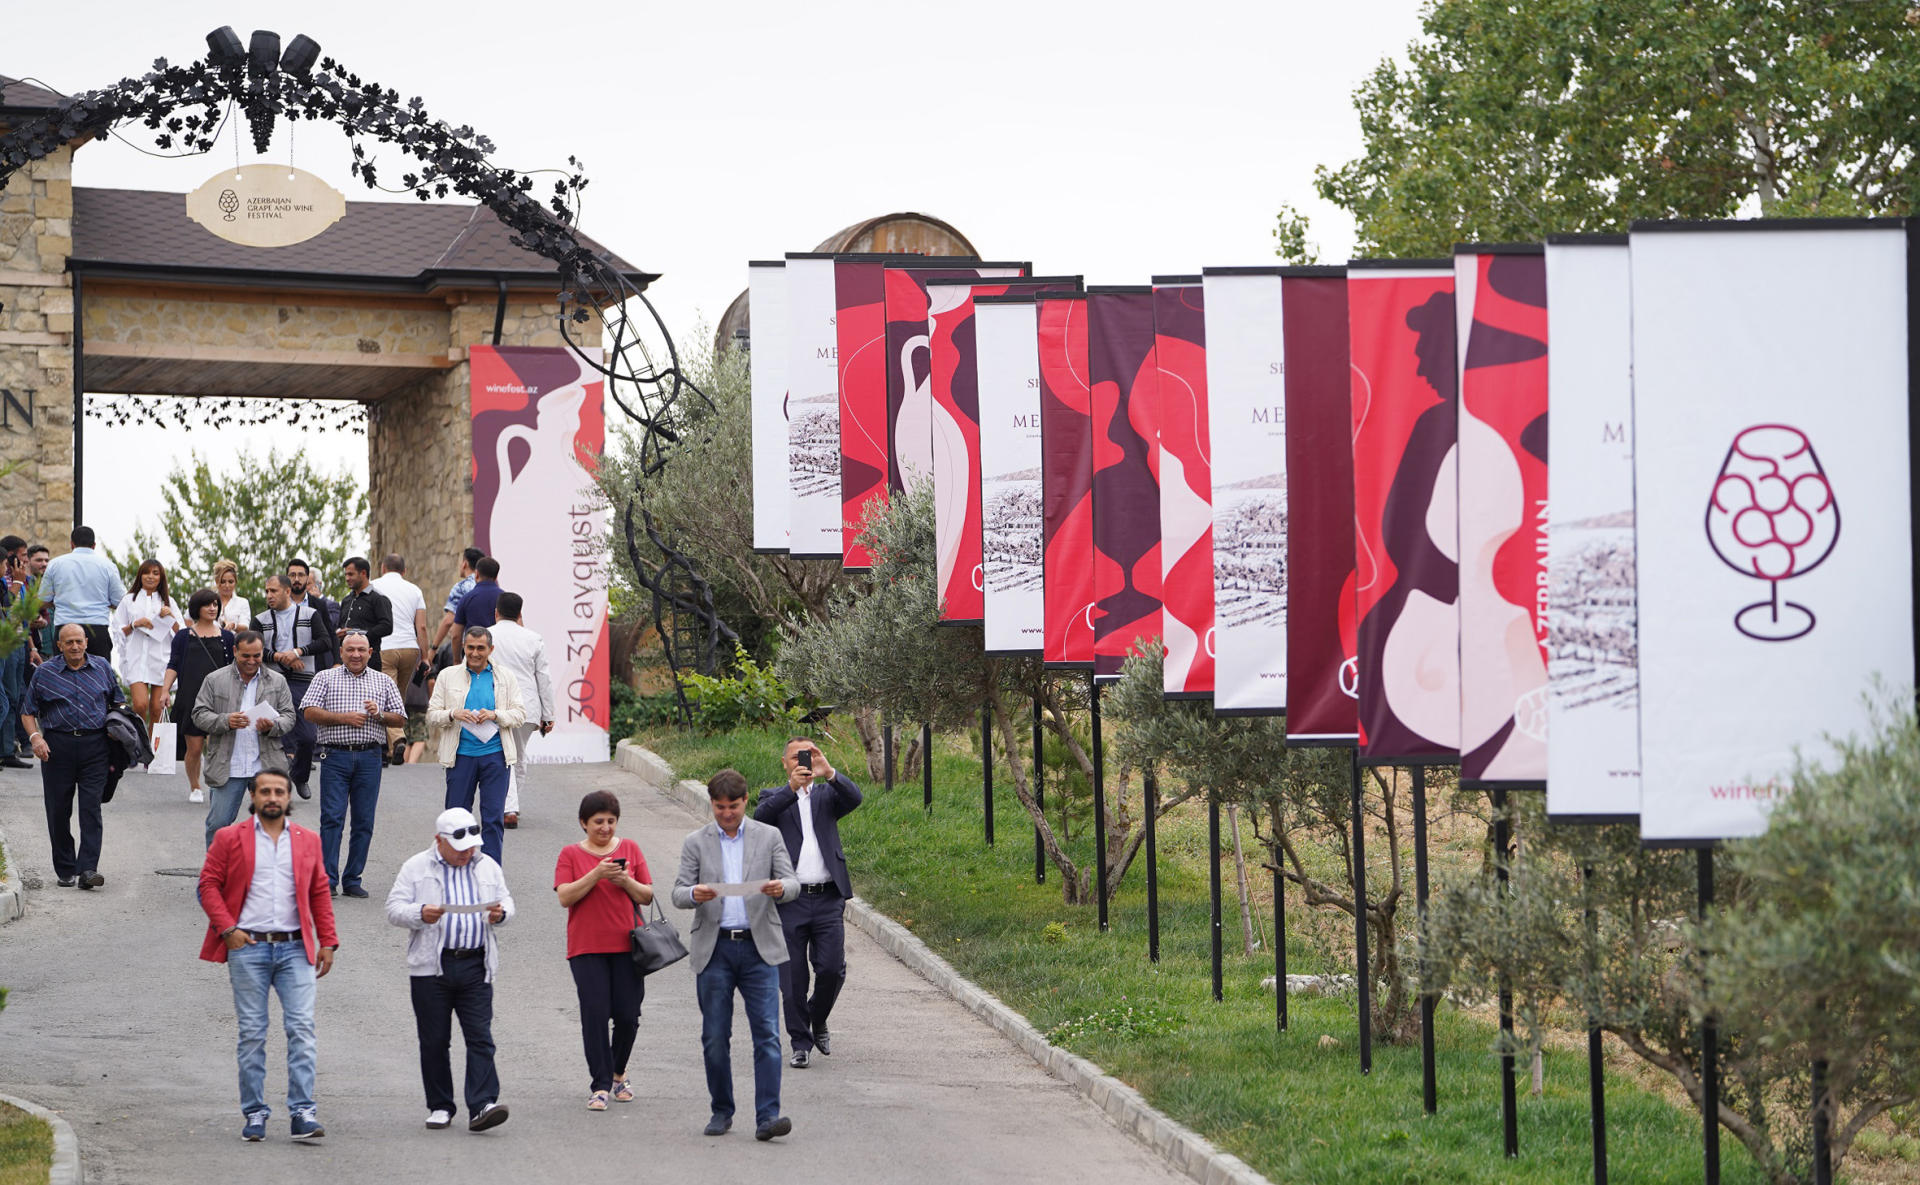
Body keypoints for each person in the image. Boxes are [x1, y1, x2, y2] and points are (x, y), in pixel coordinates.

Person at [197, 770, 338, 1142]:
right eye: (265, 792)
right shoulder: (230, 838)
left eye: (279, 791)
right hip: (249, 948)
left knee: (302, 1029)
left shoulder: (307, 840)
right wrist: (228, 929)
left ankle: (303, 1112)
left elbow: (320, 890)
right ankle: (255, 1113)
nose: (272, 797)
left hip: (296, 949)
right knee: (252, 1034)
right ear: (254, 797)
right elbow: (208, 884)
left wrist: (328, 940)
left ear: (289, 797)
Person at [672, 769, 798, 1141]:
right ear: (711, 804)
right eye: (720, 807)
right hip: (715, 948)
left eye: (734, 806)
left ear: (746, 802)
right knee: (714, 1036)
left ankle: (767, 1116)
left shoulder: (768, 836)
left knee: (768, 1035)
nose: (727, 813)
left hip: (760, 948)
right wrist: (695, 893)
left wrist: (780, 889)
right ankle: (721, 1109)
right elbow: (678, 893)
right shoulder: (696, 841)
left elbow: (792, 882)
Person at [386, 807, 514, 1132]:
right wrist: (419, 913)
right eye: (460, 849)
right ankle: (440, 1105)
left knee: (480, 1036)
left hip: (476, 962)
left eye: (471, 847)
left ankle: (483, 1104)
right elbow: (394, 909)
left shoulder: (487, 866)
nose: (467, 853)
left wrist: (502, 914)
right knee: (434, 1039)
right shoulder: (416, 867)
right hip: (432, 966)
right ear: (438, 840)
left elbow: (507, 901)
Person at [754, 737, 863, 1069]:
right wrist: (791, 789)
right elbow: (761, 818)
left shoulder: (828, 795)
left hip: (828, 896)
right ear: (785, 762)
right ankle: (800, 1043)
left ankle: (817, 1017)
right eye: (797, 756)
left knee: (832, 969)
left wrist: (828, 771)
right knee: (793, 980)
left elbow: (855, 797)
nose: (804, 760)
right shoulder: (773, 797)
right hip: (790, 900)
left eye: (810, 754)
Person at [554, 790, 653, 1111]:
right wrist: (596, 873)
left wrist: (625, 880)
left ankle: (618, 1072)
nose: (605, 828)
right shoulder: (570, 854)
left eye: (611, 821)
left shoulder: (631, 849)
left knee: (628, 1015)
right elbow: (565, 896)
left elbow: (647, 895)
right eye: (598, 822)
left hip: (628, 947)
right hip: (586, 948)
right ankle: (600, 1085)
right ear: (584, 823)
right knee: (594, 1014)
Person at [19, 623, 125, 889]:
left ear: (86, 642)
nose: (75, 647)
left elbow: (118, 702)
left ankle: (88, 869)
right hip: (57, 748)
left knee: (91, 809)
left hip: (96, 746)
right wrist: (36, 738)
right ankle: (66, 868)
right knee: (58, 810)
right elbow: (27, 711)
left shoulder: (102, 667)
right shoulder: (44, 673)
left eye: (79, 641)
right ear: (60, 646)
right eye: (69, 643)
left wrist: (118, 727)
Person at [303, 631, 406, 899]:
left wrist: (380, 715)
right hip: (334, 756)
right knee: (332, 818)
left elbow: (400, 719)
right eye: (350, 650)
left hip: (370, 757)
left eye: (361, 650)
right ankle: (327, 879)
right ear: (341, 651)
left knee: (364, 821)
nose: (356, 655)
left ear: (370, 653)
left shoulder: (383, 681)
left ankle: (353, 878)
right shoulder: (325, 677)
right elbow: (309, 711)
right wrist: (343, 718)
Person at [427, 627, 526, 865]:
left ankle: (490, 874)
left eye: (481, 648)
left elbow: (520, 714)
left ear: (490, 649)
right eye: (470, 647)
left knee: (493, 820)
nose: (475, 653)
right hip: (460, 756)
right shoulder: (448, 675)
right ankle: (452, 870)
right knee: (455, 819)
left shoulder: (505, 677)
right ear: (463, 647)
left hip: (496, 756)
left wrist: (495, 715)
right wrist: (453, 713)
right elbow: (432, 715)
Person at [193, 630, 297, 848]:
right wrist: (226, 721)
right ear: (234, 652)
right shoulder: (214, 679)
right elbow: (199, 714)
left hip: (267, 765)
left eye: (257, 656)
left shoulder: (277, 681)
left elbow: (290, 717)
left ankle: (267, 877)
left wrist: (273, 726)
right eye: (245, 656)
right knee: (218, 825)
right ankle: (216, 877)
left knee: (271, 827)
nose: (251, 661)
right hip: (228, 765)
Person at [254, 575, 333, 800]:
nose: (269, 595)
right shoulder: (260, 619)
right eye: (267, 591)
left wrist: (298, 652)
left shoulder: (310, 614)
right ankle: (275, 779)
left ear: (287, 592)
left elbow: (325, 641)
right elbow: (252, 648)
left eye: (274, 591)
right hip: (272, 681)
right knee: (277, 731)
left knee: (308, 736)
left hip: (303, 680)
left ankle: (300, 775)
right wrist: (279, 656)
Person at [157, 589, 236, 804]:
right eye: (207, 604)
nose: (212, 608)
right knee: (194, 748)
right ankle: (195, 786)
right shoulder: (184, 636)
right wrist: (165, 690)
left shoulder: (227, 637)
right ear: (196, 608)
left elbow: (234, 668)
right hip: (191, 697)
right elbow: (173, 664)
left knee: (218, 746)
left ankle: (217, 783)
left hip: (220, 698)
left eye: (215, 604)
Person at [486, 592, 554, 830]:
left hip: (495, 703)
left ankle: (508, 807)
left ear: (496, 612)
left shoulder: (486, 635)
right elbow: (543, 678)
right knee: (518, 755)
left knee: (504, 756)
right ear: (520, 614)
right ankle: (510, 805)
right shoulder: (533, 639)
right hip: (527, 706)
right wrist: (549, 715)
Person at [111, 558, 181, 747]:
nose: (150, 577)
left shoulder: (168, 601)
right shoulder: (129, 600)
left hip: (160, 658)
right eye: (147, 572)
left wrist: (171, 617)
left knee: (158, 708)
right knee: (140, 704)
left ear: (161, 577)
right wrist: (135, 624)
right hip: (136, 657)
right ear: (140, 575)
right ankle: (138, 745)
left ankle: (153, 751)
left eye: (155, 573)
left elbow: (180, 632)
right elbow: (117, 630)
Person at [369, 554, 429, 764]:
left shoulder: (373, 586)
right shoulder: (415, 590)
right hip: (409, 649)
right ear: (403, 571)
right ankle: (390, 746)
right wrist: (426, 656)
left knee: (386, 696)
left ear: (382, 568)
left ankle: (396, 739)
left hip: (385, 647)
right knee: (398, 697)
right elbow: (421, 626)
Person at [37, 526, 124, 659]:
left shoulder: (55, 564)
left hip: (65, 627)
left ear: (72, 544)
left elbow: (43, 599)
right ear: (94, 545)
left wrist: (59, 602)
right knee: (98, 677)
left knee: (63, 676)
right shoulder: (107, 566)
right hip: (97, 628)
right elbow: (120, 601)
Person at [0, 535, 30, 769]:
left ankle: (8, 748)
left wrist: (31, 645)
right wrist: (17, 585)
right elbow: (7, 612)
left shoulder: (22, 581)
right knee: (7, 697)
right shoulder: (8, 582)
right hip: (6, 643)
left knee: (17, 695)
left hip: (20, 641)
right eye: (23, 556)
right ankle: (5, 749)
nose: (26, 561)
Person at [336, 557, 393, 671]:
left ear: (363, 573)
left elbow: (387, 626)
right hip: (346, 661)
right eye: (346, 575)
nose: (347, 578)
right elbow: (341, 625)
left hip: (370, 661)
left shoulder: (378, 598)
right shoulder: (346, 600)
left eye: (351, 574)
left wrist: (357, 633)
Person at [430, 547, 484, 660]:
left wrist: (433, 648)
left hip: (470, 648)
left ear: (464, 564)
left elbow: (449, 620)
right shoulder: (490, 588)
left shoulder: (460, 587)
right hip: (489, 646)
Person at [285, 558, 339, 669]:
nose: (296, 579)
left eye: (301, 575)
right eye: (292, 575)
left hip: (316, 664)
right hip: (286, 664)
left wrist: (337, 661)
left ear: (307, 577)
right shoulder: (279, 603)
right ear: (287, 578)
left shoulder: (319, 604)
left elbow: (330, 634)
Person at [453, 557, 503, 633]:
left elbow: (456, 635)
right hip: (500, 644)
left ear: (476, 574)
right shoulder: (504, 598)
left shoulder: (466, 599)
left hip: (475, 642)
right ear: (496, 577)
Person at [213, 558, 253, 631]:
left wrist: (233, 626)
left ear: (235, 582)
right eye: (223, 581)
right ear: (217, 581)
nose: (227, 585)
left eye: (230, 582)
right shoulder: (208, 601)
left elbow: (245, 626)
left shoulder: (242, 602)